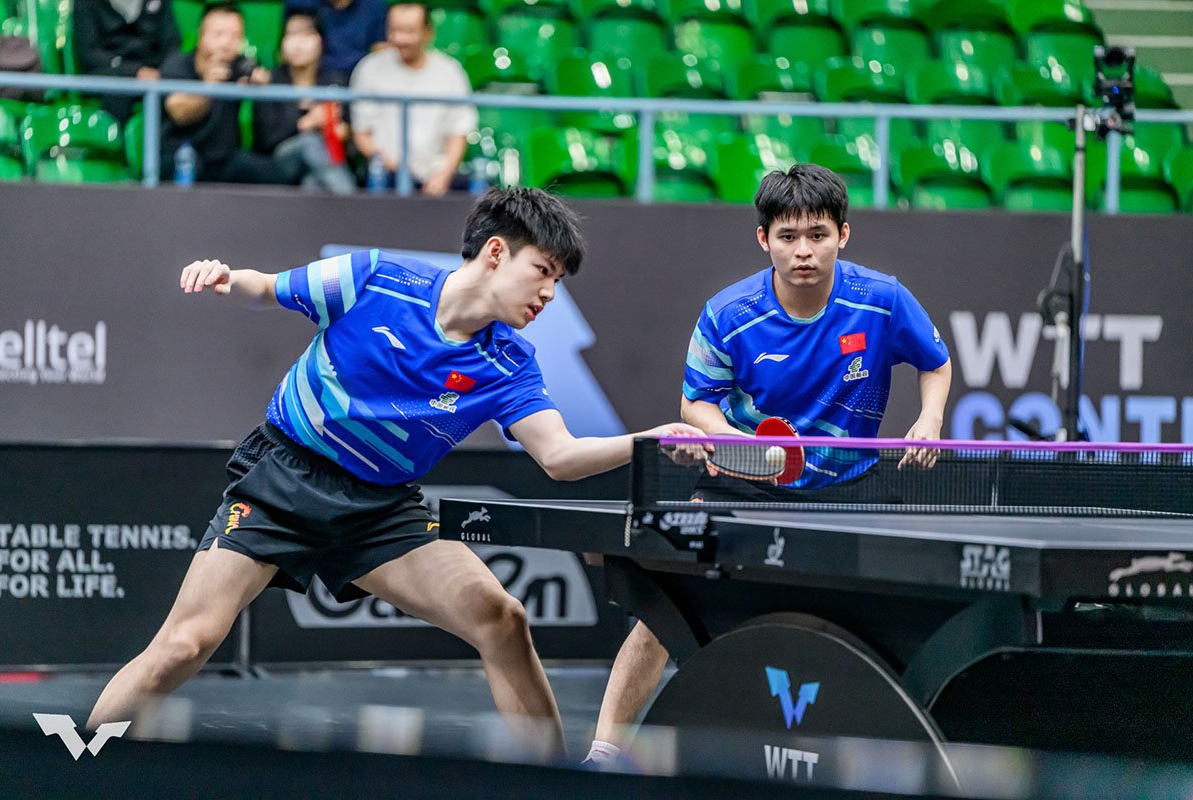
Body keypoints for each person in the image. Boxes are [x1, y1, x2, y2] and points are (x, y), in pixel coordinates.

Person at [85, 187, 703, 757]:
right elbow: (266, 287)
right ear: (496, 253)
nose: (548, 294)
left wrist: (646, 441)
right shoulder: (374, 278)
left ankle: (552, 784)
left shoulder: (509, 362)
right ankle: (78, 761)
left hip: (380, 509)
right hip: (282, 481)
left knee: (503, 619)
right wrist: (226, 277)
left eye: (558, 281)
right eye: (542, 271)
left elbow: (559, 457)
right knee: (184, 645)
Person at [584, 163, 953, 767]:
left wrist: (930, 418)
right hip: (742, 484)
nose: (803, 251)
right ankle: (602, 754)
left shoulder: (882, 299)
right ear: (764, 239)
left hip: (848, 487)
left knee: (874, 624)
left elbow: (934, 362)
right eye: (788, 236)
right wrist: (735, 442)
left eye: (818, 235)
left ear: (843, 234)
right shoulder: (729, 314)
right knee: (664, 614)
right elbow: (695, 403)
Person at [349, 1, 475, 196]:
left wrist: (443, 174)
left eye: (409, 31)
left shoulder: (451, 72)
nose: (400, 38)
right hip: (386, 175)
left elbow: (458, 133)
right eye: (394, 30)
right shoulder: (369, 68)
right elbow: (362, 134)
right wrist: (394, 167)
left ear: (428, 33)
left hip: (438, 177)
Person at [158, 3, 284, 184]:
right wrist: (208, 88)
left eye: (235, 36)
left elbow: (263, 77)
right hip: (181, 155)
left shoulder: (241, 65)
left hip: (225, 159)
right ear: (201, 35)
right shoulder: (177, 66)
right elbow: (179, 113)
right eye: (218, 34)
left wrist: (262, 83)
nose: (226, 43)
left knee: (272, 174)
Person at [253, 11, 356, 193]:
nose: (298, 44)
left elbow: (351, 136)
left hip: (324, 162)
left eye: (306, 35)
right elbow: (265, 140)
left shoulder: (335, 82)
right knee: (311, 142)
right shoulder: (270, 82)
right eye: (291, 35)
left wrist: (343, 132)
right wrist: (308, 123)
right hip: (279, 164)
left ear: (321, 41)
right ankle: (350, 200)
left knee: (313, 182)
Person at [73, 0, 182, 123]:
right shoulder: (85, 3)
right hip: (109, 71)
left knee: (179, 89)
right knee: (117, 91)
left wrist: (166, 71)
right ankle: (116, 133)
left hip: (154, 72)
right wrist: (135, 71)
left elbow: (172, 43)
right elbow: (90, 54)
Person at [284, 0, 388, 78]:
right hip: (315, 79)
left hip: (357, 80)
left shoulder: (374, 6)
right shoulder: (300, 4)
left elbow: (380, 51)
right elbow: (286, 49)